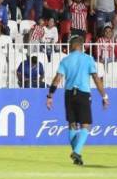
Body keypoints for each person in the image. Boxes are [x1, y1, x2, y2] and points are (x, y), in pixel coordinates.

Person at [46, 36, 109, 166]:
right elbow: (96, 79)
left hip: (69, 94)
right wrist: (104, 96)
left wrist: (50, 96)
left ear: (72, 46)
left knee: (72, 124)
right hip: (83, 93)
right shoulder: (88, 59)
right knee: (86, 124)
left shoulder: (65, 60)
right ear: (81, 46)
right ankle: (77, 151)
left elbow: (57, 79)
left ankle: (76, 155)